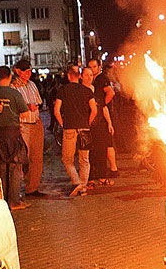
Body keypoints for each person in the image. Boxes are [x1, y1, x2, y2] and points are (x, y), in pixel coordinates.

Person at [0, 66, 31, 209]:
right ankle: (14, 201)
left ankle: (4, 201)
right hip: (13, 135)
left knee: (0, 169)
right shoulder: (14, 94)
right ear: (10, 76)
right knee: (15, 168)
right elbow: (24, 113)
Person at [53, 64, 97, 196]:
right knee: (84, 159)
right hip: (85, 128)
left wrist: (62, 124)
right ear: (79, 77)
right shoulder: (88, 91)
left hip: (70, 128)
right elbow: (94, 110)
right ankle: (83, 187)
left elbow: (56, 111)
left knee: (67, 159)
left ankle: (76, 182)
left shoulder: (63, 90)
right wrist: (87, 123)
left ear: (68, 76)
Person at [10, 58, 46, 197]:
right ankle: (17, 189)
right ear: (18, 71)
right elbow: (14, 107)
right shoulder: (13, 87)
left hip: (35, 122)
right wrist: (27, 107)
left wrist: (35, 108)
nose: (27, 73)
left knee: (37, 158)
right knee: (23, 157)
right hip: (23, 124)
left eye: (29, 71)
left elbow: (38, 101)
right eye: (25, 71)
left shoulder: (32, 84)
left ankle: (32, 188)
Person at [86, 58, 119, 182]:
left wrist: (100, 105)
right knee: (106, 143)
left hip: (105, 115)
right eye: (90, 67)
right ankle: (112, 168)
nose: (92, 69)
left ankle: (113, 169)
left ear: (99, 67)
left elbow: (111, 93)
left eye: (94, 66)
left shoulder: (102, 79)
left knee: (107, 143)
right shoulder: (94, 80)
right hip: (101, 115)